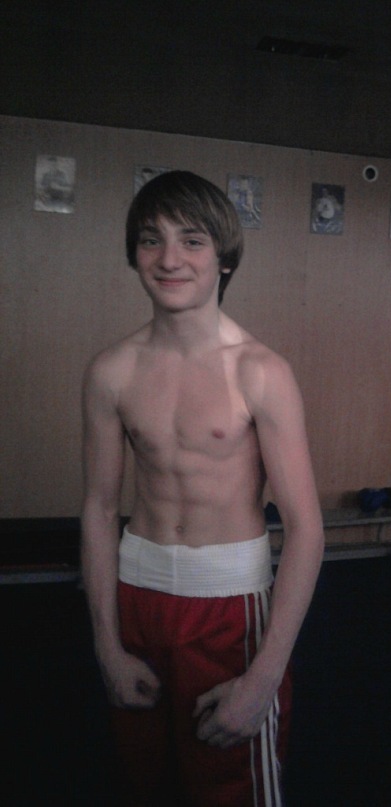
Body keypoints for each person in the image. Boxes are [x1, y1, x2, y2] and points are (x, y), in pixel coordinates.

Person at [80, 170, 324, 806]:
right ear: (134, 254)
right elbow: (100, 510)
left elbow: (305, 529)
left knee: (230, 785)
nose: (169, 259)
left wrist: (263, 680)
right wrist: (106, 647)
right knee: (145, 782)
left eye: (191, 240)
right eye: (150, 240)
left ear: (224, 256)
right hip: (136, 597)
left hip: (228, 607)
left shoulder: (261, 371)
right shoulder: (111, 371)